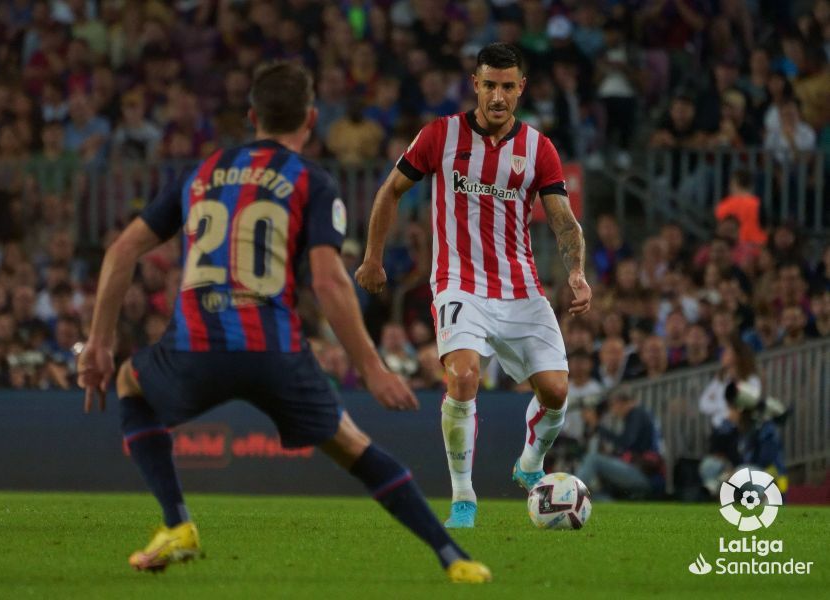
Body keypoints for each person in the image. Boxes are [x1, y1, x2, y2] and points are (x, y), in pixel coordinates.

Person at [77, 61, 490, 583]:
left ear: (252, 116)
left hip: (196, 343)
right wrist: (371, 368)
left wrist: (98, 343)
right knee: (353, 447)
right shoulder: (313, 181)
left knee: (128, 380)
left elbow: (121, 252)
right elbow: (329, 280)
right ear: (312, 118)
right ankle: (454, 558)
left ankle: (177, 523)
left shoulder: (199, 172)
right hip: (273, 349)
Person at [356, 43, 591, 528]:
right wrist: (372, 258)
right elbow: (391, 191)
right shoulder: (440, 136)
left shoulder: (538, 148)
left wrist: (575, 272)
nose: (498, 96)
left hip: (521, 287)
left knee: (556, 391)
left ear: (521, 88)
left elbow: (563, 221)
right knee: (463, 378)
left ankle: (529, 466)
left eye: (508, 86)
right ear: (476, 85)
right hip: (458, 282)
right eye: (490, 85)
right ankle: (463, 498)